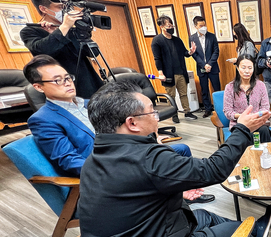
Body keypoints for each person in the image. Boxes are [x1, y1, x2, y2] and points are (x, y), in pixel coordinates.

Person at [78, 81, 271, 237]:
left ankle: (255, 236)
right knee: (236, 230)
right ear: (132, 123)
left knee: (204, 216)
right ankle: (250, 233)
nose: (157, 119)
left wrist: (173, 192)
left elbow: (132, 201)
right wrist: (242, 130)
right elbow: (213, 169)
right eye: (152, 112)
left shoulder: (94, 160)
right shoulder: (148, 158)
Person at [23, 54, 192, 177]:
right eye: (57, 80)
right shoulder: (42, 120)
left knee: (181, 150)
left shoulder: (91, 103)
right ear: (38, 87)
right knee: (171, 159)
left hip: (129, 153)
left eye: (68, 77)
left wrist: (150, 139)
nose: (67, 83)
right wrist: (114, 172)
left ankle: (184, 192)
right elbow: (69, 161)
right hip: (107, 168)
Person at [20, 0, 103, 99]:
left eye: (65, 7)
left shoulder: (71, 29)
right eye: (60, 7)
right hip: (64, 90)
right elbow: (43, 50)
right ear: (43, 9)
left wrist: (83, 33)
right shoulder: (30, 31)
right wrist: (63, 28)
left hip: (91, 85)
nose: (64, 11)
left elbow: (93, 52)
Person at [151, 15, 198, 122]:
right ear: (162, 26)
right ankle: (174, 114)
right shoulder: (157, 41)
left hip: (181, 71)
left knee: (183, 94)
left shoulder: (177, 40)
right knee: (171, 96)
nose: (171, 27)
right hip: (168, 73)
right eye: (168, 25)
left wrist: (190, 52)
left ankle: (187, 112)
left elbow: (185, 53)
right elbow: (157, 58)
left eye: (172, 25)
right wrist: (161, 73)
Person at [223, 54, 271, 143]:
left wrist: (255, 116)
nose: (247, 71)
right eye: (243, 67)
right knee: (245, 136)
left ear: (253, 69)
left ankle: (264, 155)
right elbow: (228, 111)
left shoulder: (261, 85)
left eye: (250, 68)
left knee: (264, 131)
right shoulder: (229, 87)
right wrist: (243, 117)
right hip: (239, 124)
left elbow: (265, 108)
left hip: (257, 122)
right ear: (237, 68)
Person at [189, 16, 221, 118]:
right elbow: (194, 54)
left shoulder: (212, 36)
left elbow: (216, 51)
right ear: (195, 26)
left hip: (213, 67)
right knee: (204, 89)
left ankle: (220, 109)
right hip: (201, 68)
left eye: (204, 25)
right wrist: (204, 65)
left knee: (217, 89)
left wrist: (210, 64)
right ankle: (207, 109)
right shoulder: (192, 38)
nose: (204, 27)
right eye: (201, 25)